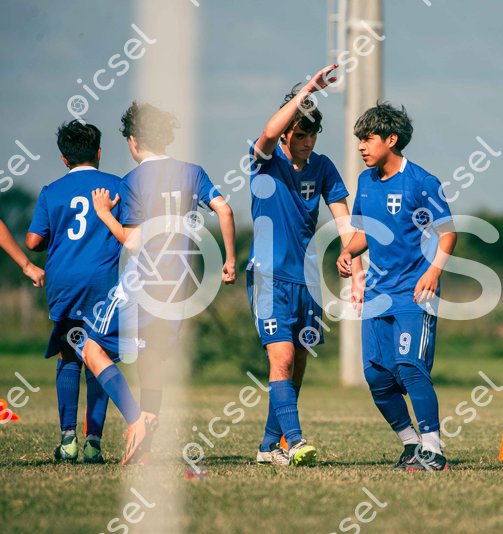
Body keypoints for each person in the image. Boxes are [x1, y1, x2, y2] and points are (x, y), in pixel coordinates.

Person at [85, 102, 237, 464]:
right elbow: (225, 209)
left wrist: (104, 213)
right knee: (151, 359)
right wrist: (229, 261)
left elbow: (133, 241)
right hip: (179, 286)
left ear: (134, 141)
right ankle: (146, 450)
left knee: (91, 349)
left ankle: (136, 420)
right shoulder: (193, 172)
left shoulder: (133, 181)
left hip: (142, 284)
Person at [248, 64, 360, 466]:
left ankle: (267, 448)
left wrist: (353, 261)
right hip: (268, 278)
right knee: (280, 359)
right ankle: (294, 442)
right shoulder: (264, 160)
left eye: (312, 134)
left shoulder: (323, 167)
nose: (307, 141)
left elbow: (344, 222)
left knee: (296, 367)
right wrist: (309, 90)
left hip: (307, 282)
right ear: (287, 134)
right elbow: (268, 132)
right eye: (300, 134)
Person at [337, 102, 457, 471]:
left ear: (392, 140)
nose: (361, 146)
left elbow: (448, 233)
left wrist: (434, 271)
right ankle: (410, 444)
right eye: (359, 139)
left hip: (414, 293)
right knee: (376, 375)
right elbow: (366, 233)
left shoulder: (422, 182)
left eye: (368, 138)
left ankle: (434, 451)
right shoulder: (365, 182)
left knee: (410, 367)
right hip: (377, 294)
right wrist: (348, 253)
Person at [25, 120, 119, 462]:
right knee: (100, 356)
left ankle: (68, 441)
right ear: (99, 152)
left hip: (65, 283)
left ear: (64, 158)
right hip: (104, 282)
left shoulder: (51, 191)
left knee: (69, 354)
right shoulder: (116, 185)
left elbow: (33, 241)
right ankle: (94, 442)